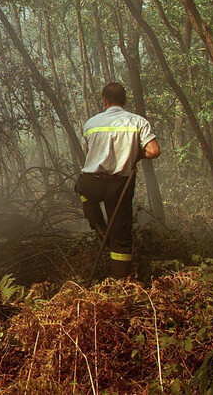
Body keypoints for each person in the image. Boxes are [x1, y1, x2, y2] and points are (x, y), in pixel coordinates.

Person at [75, 82, 160, 278]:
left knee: (81, 187)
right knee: (120, 237)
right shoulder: (137, 122)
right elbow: (154, 151)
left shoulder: (91, 123)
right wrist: (134, 154)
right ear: (125, 101)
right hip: (119, 186)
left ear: (104, 101)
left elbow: (90, 154)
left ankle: (98, 225)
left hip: (92, 183)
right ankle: (120, 282)